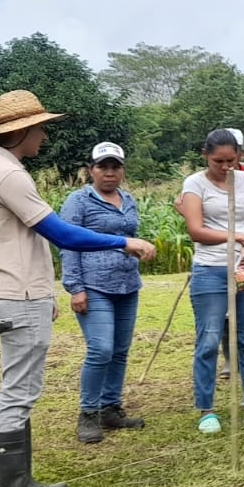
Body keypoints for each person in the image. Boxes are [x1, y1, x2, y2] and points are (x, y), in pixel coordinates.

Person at [0, 90, 156, 487]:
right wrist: (123, 241)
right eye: (40, 128)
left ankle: (22, 483)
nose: (45, 137)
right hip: (15, 294)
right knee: (18, 392)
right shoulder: (8, 174)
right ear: (20, 132)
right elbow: (64, 235)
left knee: (24, 389)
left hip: (20, 290)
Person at [178, 129, 244, 433]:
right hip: (210, 270)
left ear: (240, 156)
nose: (227, 167)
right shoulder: (194, 184)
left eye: (232, 160)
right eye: (219, 161)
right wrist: (237, 236)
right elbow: (196, 230)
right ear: (206, 155)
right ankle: (207, 409)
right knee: (209, 339)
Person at [62, 141, 147, 445]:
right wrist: (75, 289)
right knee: (100, 349)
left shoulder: (128, 199)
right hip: (94, 285)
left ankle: (110, 408)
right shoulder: (79, 201)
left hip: (127, 284)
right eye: (103, 167)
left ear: (122, 170)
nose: (109, 173)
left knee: (120, 350)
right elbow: (68, 244)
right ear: (91, 170)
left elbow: (129, 237)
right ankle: (88, 412)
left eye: (115, 167)